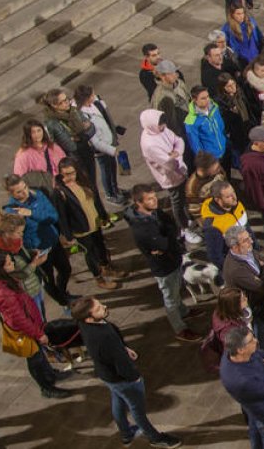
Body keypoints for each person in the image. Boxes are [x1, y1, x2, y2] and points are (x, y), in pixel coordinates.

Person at [73, 296, 184, 447]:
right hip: (122, 379)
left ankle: (126, 434)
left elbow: (113, 349)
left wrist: (124, 348)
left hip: (108, 376)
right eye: (98, 308)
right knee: (137, 409)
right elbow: (120, 362)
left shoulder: (85, 324)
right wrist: (134, 378)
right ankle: (155, 438)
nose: (104, 307)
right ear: (89, 319)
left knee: (118, 400)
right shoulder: (103, 336)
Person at [122, 184, 201, 342]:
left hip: (173, 258)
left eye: (154, 197)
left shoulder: (153, 212)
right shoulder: (142, 228)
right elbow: (162, 244)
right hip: (164, 266)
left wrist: (168, 235)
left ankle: (183, 311)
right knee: (170, 297)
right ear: (139, 202)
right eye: (150, 199)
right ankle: (179, 328)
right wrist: (168, 236)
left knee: (176, 288)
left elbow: (171, 225)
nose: (155, 201)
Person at [0, 248, 72, 398]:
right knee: (35, 358)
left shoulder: (6, 280)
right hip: (25, 331)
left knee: (39, 354)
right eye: (8, 263)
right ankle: (46, 387)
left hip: (31, 324)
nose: (12, 264)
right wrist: (38, 333)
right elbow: (19, 319)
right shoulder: (3, 292)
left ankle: (50, 375)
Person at [3, 174, 72, 310]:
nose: (25, 192)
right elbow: (15, 236)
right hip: (37, 251)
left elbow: (53, 216)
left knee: (66, 269)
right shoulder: (11, 210)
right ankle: (64, 303)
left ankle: (62, 293)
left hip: (53, 241)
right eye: (19, 191)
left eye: (25, 187)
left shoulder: (38, 195)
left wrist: (31, 213)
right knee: (48, 280)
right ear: (11, 194)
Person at [52, 158, 122, 290]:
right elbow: (62, 216)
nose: (69, 177)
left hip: (94, 222)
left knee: (101, 247)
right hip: (81, 228)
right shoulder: (59, 191)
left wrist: (103, 216)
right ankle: (99, 278)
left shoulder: (84, 181)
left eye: (71, 173)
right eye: (65, 174)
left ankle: (107, 268)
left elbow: (95, 200)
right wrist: (68, 236)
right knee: (90, 253)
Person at [220, 327, 264, 449]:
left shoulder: (232, 353)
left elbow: (262, 353)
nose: (256, 341)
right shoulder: (243, 381)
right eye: (251, 340)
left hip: (253, 405)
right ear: (240, 350)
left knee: (255, 431)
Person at [222, 224, 264, 356]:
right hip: (254, 307)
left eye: (249, 237)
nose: (252, 241)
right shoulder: (235, 269)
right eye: (246, 240)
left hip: (263, 302)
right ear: (234, 246)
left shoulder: (247, 252)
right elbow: (261, 286)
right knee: (261, 335)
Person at [138, 109, 194, 237]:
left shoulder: (162, 130)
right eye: (160, 125)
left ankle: (188, 220)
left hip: (180, 170)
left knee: (185, 197)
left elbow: (179, 141)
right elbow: (169, 164)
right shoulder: (150, 144)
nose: (163, 127)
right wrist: (176, 156)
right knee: (177, 202)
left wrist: (176, 153)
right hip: (170, 177)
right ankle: (184, 228)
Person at [75, 85, 128, 204]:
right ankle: (110, 194)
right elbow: (94, 140)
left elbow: (105, 119)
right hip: (101, 149)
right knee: (106, 170)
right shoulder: (83, 115)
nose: (94, 96)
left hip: (109, 142)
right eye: (92, 95)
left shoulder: (95, 104)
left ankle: (115, 189)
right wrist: (111, 150)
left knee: (113, 167)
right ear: (86, 98)